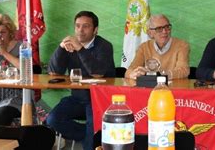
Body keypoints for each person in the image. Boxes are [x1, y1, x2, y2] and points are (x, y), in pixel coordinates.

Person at [46, 11, 115, 150]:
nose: (80, 30)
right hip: (78, 98)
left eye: (86, 26)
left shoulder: (104, 46)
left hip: (99, 100)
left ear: (95, 30)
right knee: (52, 120)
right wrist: (61, 47)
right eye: (77, 26)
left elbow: (97, 73)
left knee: (92, 125)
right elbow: (53, 72)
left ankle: (91, 137)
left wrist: (80, 48)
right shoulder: (70, 46)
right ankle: (87, 135)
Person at [125, 14, 190, 80]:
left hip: (173, 88)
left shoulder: (182, 45)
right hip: (149, 88)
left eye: (167, 27)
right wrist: (133, 74)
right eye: (159, 29)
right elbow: (129, 71)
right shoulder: (143, 47)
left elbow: (183, 71)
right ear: (150, 33)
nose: (164, 31)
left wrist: (158, 74)